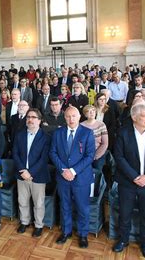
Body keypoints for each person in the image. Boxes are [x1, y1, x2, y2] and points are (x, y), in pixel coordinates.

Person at [112, 104, 145, 259]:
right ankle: (123, 240)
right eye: (144, 115)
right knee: (125, 212)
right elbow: (119, 157)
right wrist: (134, 177)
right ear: (134, 117)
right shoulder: (123, 133)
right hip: (128, 182)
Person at [50, 106, 95, 249]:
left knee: (83, 207)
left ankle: (82, 234)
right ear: (65, 117)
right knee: (65, 205)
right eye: (68, 116)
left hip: (81, 178)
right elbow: (52, 152)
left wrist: (73, 171)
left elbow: (90, 156)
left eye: (73, 116)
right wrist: (63, 170)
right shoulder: (58, 133)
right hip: (63, 177)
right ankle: (66, 231)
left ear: (79, 117)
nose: (71, 119)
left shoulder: (87, 133)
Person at [12, 108, 51, 237]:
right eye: (28, 117)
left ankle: (39, 225)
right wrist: (23, 170)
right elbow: (15, 154)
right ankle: (24, 222)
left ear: (39, 121)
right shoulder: (20, 134)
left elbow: (44, 158)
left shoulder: (45, 137)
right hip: (21, 174)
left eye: (34, 117)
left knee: (38, 203)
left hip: (38, 175)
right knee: (22, 201)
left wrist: (31, 172)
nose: (30, 120)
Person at [80, 105, 108, 172]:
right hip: (84, 154)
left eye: (93, 111)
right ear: (85, 114)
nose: (92, 113)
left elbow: (105, 143)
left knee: (97, 170)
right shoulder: (80, 126)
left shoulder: (101, 125)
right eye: (89, 111)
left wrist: (95, 156)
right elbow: (79, 143)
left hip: (98, 154)